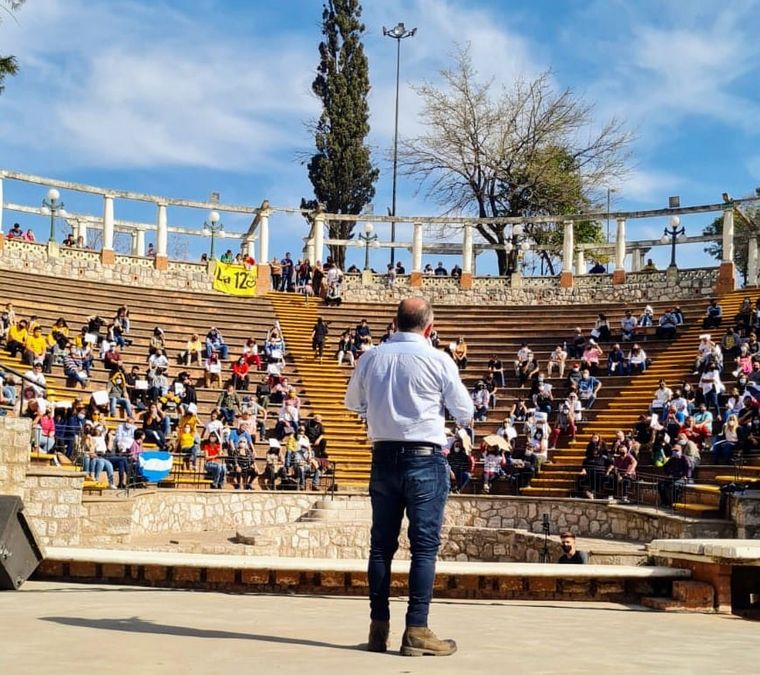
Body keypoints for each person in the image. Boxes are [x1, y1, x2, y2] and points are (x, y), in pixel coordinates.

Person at [345, 297, 473, 657]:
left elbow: (352, 403)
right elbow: (465, 411)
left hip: (383, 457)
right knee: (424, 548)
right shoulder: (438, 359)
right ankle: (416, 629)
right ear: (429, 328)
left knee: (381, 546)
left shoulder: (371, 357)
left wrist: (381, 409)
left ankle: (378, 629)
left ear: (394, 322)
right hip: (424, 460)